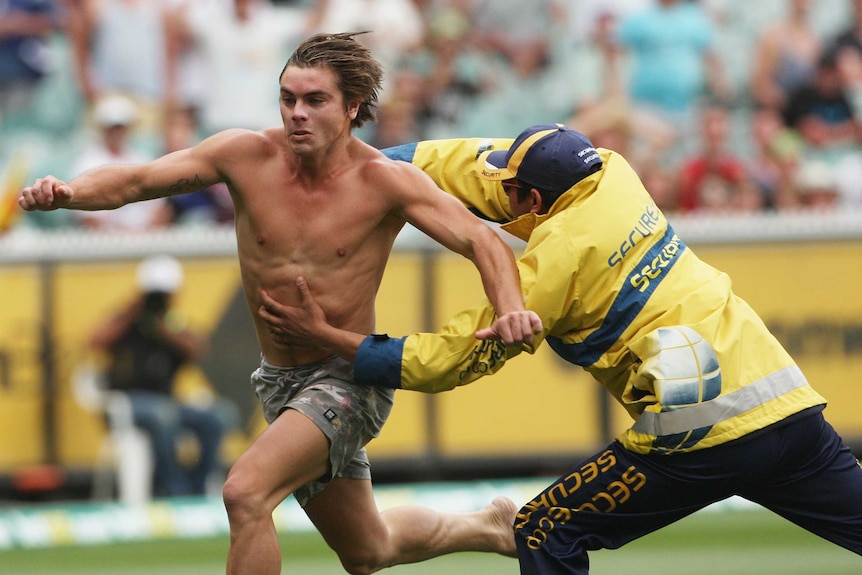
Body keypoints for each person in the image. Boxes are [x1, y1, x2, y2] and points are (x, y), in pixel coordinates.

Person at [18, 31, 540, 575]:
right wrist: (71, 192)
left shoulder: (385, 182)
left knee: (246, 493)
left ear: (352, 108)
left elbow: (481, 240)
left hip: (348, 378)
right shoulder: (245, 156)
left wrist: (509, 310)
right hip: (279, 380)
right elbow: (137, 180)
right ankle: (488, 526)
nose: (297, 113)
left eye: (315, 101)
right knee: (368, 550)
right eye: (288, 99)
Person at [262, 123, 862, 574]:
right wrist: (368, 166)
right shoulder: (611, 169)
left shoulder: (554, 265)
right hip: (788, 408)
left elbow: (449, 357)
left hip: (699, 433)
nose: (502, 193)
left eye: (514, 191)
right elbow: (468, 164)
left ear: (532, 200)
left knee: (544, 529)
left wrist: (331, 341)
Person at [90, 254, 239, 497]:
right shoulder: (126, 319)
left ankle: (200, 487)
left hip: (168, 401)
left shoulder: (172, 322)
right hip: (129, 403)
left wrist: (164, 327)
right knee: (163, 414)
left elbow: (199, 348)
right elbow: (94, 341)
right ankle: (175, 489)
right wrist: (133, 311)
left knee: (218, 416)